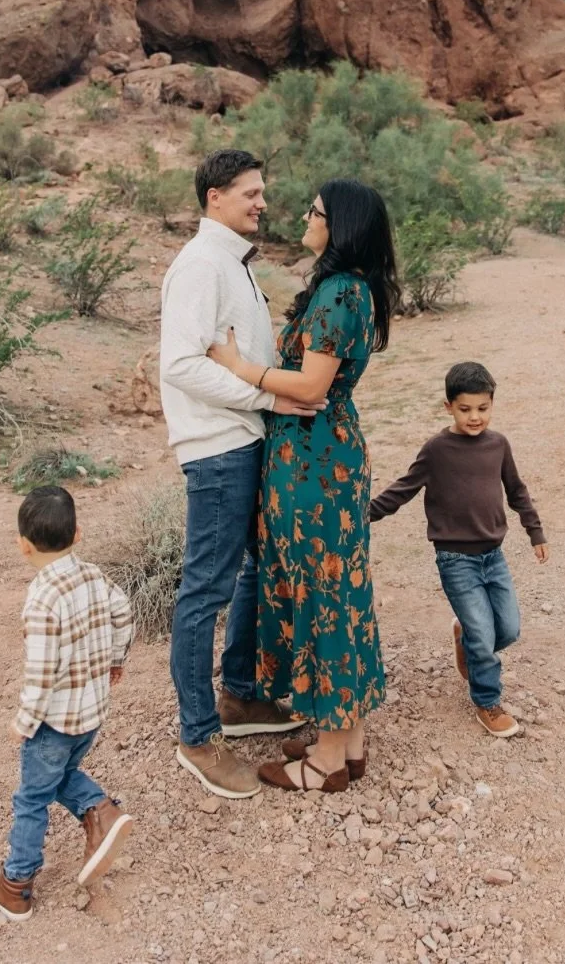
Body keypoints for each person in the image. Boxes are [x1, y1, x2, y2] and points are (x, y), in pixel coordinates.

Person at [207, 179, 400, 791]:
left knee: (323, 596)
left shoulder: (342, 291)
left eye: (315, 212)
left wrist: (242, 370)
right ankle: (345, 739)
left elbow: (312, 388)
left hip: (314, 462)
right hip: (323, 457)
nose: (304, 217)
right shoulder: (350, 288)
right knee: (336, 591)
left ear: (339, 225)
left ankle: (327, 762)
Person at [160, 150, 316, 800]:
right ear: (215, 196)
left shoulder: (232, 264)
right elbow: (180, 364)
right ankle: (198, 736)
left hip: (243, 443)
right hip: (219, 447)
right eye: (250, 194)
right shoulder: (201, 265)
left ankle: (241, 697)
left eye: (263, 193)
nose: (261, 203)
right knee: (204, 591)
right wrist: (266, 399)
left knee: (253, 569)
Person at [368, 362, 549, 737]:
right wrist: (361, 515)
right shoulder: (437, 450)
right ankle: (487, 701)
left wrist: (535, 531)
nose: (475, 417)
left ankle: (465, 637)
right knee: (483, 636)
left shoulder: (498, 445)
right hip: (456, 560)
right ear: (448, 406)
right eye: (465, 409)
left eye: (483, 408)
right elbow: (403, 489)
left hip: (493, 556)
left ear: (492, 404)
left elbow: (516, 491)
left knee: (509, 629)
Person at [0, 486, 135, 922]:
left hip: (53, 722)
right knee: (62, 774)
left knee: (32, 798)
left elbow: (42, 670)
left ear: (23, 545)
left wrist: (25, 721)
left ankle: (16, 884)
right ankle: (100, 812)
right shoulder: (93, 575)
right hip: (91, 713)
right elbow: (123, 612)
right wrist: (115, 658)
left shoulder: (42, 598)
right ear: (78, 534)